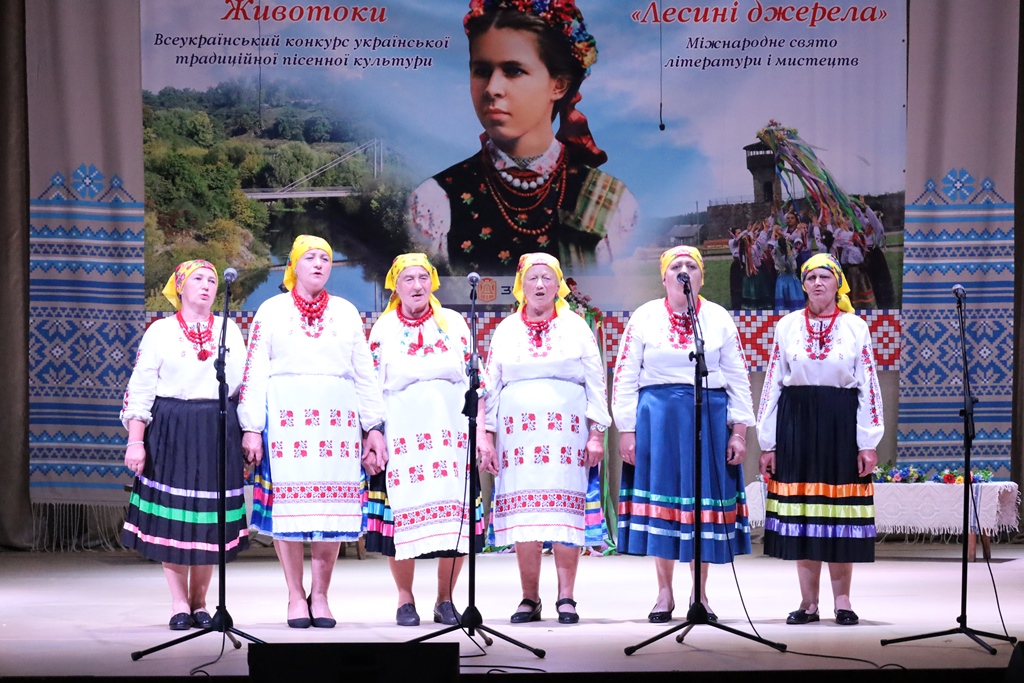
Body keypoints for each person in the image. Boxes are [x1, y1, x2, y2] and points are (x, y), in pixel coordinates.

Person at [408, 0, 638, 276]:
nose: (492, 88)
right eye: (481, 71)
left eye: (513, 70)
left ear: (558, 84)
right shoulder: (434, 201)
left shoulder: (612, 204)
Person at [238, 235, 386, 629]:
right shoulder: (271, 311)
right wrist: (251, 427)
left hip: (337, 424)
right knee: (289, 511)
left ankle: (320, 595)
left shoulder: (345, 312)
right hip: (287, 421)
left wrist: (373, 427)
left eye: (325, 258)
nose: (319, 264)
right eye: (310, 258)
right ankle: (294, 594)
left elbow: (364, 373)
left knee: (331, 510)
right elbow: (255, 371)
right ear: (294, 265)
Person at [613, 246, 754, 623]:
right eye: (676, 266)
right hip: (658, 420)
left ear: (701, 277)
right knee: (664, 502)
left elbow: (737, 377)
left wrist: (739, 432)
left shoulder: (717, 318)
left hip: (708, 416)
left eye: (691, 265)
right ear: (664, 277)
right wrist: (626, 429)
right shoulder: (645, 316)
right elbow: (625, 376)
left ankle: (700, 595)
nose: (684, 271)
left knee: (700, 503)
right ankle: (664, 594)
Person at [477, 252, 610, 624]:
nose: (539, 285)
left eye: (547, 278)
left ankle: (566, 598)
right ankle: (529, 598)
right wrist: (487, 436)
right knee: (526, 516)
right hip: (517, 439)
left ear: (558, 285)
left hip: (566, 436)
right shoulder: (506, 329)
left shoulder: (576, 327)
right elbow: (491, 387)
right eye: (532, 278)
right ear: (521, 285)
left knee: (565, 512)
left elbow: (596, 382)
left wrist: (596, 434)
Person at [120, 260, 249, 630]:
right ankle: (178, 602)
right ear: (179, 286)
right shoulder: (160, 332)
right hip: (172, 426)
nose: (207, 286)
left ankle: (200, 602)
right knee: (175, 520)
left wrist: (248, 430)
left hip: (217, 426)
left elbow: (243, 386)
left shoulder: (229, 330)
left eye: (212, 280)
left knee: (208, 518)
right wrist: (136, 441)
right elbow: (141, 387)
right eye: (198, 279)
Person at [756, 253, 883, 626]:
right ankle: (808, 603)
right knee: (805, 514)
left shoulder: (855, 327)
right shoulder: (787, 326)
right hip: (796, 424)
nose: (817, 283)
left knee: (838, 514)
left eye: (825, 277)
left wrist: (867, 441)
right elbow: (773, 384)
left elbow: (868, 386)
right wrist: (768, 443)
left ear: (838, 283)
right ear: (803, 284)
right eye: (810, 277)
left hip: (839, 424)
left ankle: (842, 602)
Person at [364, 253, 481, 627]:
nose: (417, 286)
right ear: (395, 287)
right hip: (402, 435)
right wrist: (373, 432)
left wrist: (481, 431)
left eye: (422, 278)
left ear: (433, 283)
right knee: (401, 516)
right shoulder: (383, 330)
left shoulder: (455, 324)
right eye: (408, 279)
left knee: (455, 517)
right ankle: (405, 598)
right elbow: (370, 387)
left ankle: (445, 599)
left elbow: (476, 381)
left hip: (451, 436)